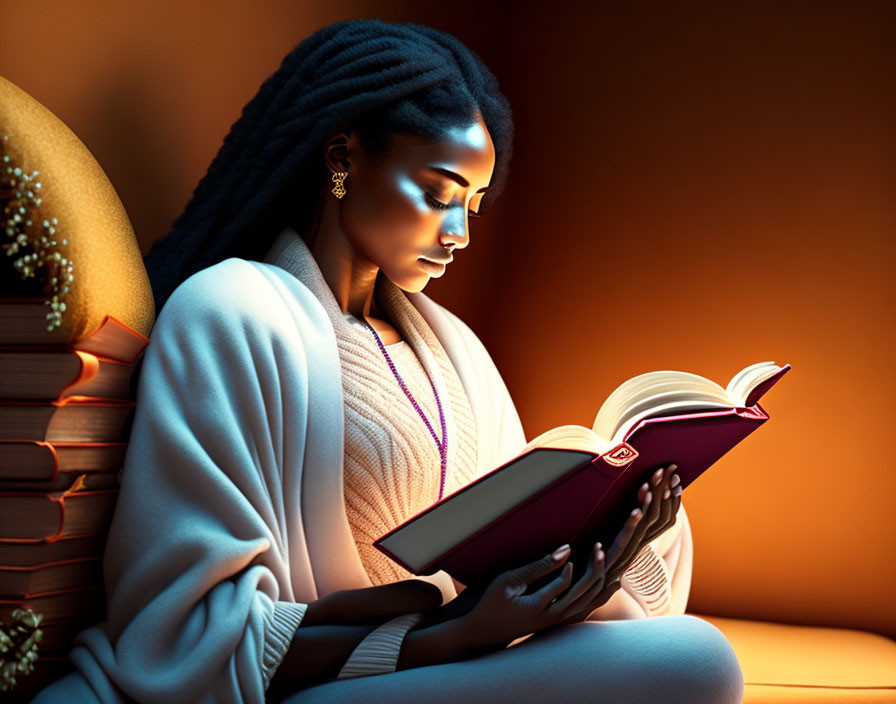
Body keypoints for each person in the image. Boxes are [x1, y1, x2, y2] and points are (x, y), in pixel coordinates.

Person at [33, 18, 744, 704]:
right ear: (342, 161)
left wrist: (606, 549)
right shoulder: (230, 310)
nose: (460, 232)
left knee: (692, 651)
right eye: (438, 194)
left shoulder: (456, 349)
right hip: (320, 682)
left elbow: (503, 558)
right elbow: (187, 635)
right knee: (695, 661)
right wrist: (455, 631)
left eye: (473, 203)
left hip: (458, 660)